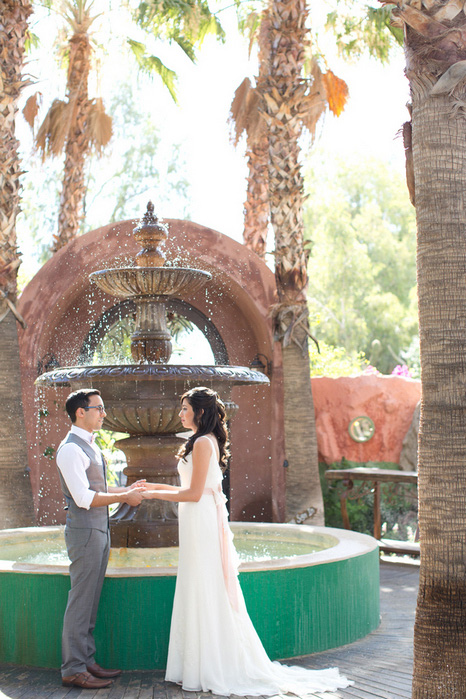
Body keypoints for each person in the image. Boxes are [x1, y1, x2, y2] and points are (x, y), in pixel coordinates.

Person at [142, 386, 352, 696]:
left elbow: (193, 493)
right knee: (197, 583)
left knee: (204, 584)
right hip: (196, 517)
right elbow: (190, 487)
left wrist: (151, 494)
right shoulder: (201, 441)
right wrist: (152, 484)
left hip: (200, 517)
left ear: (200, 412)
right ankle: (197, 664)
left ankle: (209, 666)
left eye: (185, 408)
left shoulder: (202, 443)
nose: (180, 413)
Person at [56, 388, 146, 690]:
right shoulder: (70, 449)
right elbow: (83, 498)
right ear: (81, 412)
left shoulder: (89, 446)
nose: (104, 413)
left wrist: (126, 490)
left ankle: (87, 662)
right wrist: (124, 498)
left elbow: (100, 486)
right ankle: (73, 669)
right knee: (81, 601)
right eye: (99, 408)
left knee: (91, 601)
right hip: (84, 532)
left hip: (98, 531)